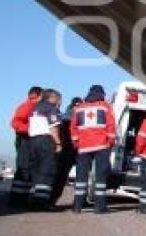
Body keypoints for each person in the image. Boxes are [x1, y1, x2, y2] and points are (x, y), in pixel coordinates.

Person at [70, 85, 116, 213]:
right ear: (101, 94)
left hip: (83, 146)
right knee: (101, 177)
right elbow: (111, 126)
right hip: (101, 145)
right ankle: (99, 207)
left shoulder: (79, 108)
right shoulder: (105, 106)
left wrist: (76, 143)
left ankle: (77, 206)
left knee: (81, 176)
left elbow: (73, 127)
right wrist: (110, 142)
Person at [27, 89, 63, 210]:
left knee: (36, 171)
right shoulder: (52, 109)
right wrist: (58, 143)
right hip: (46, 141)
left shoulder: (35, 109)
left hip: (33, 141)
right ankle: (41, 202)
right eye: (59, 99)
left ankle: (33, 200)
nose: (60, 102)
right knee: (47, 171)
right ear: (52, 98)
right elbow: (54, 128)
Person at [8, 86, 42, 207]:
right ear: (38, 95)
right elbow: (15, 122)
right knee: (24, 169)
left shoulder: (33, 106)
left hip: (30, 139)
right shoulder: (28, 106)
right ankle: (17, 199)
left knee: (29, 169)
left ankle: (23, 198)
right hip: (25, 140)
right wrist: (30, 129)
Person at [51, 97, 81, 206]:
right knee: (76, 176)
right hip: (73, 149)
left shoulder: (63, 116)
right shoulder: (78, 116)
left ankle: (51, 200)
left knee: (59, 176)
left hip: (63, 150)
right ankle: (78, 203)